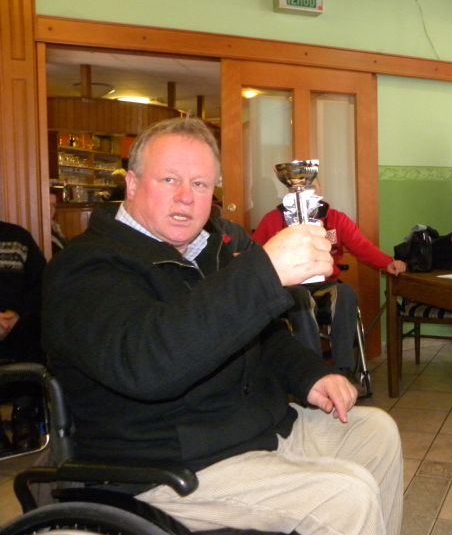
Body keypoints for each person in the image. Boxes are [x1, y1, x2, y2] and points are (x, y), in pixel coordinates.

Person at [42, 117, 403, 535]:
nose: (185, 197)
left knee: (377, 433)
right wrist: (262, 273)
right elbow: (147, 362)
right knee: (345, 496)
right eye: (169, 180)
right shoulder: (85, 268)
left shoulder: (210, 250)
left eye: (200, 184)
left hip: (255, 430)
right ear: (133, 184)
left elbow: (259, 337)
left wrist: (310, 374)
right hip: (171, 465)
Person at [253, 188, 406, 375]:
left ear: (319, 193)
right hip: (290, 287)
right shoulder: (273, 219)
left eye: (310, 189)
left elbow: (362, 246)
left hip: (324, 283)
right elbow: (255, 255)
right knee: (300, 298)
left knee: (346, 293)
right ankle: (313, 371)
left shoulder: (335, 219)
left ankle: (344, 369)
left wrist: (388, 263)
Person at [1, 220, 46, 450]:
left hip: (18, 324)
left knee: (35, 326)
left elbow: (42, 285)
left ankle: (24, 415)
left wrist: (17, 315)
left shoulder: (18, 237)